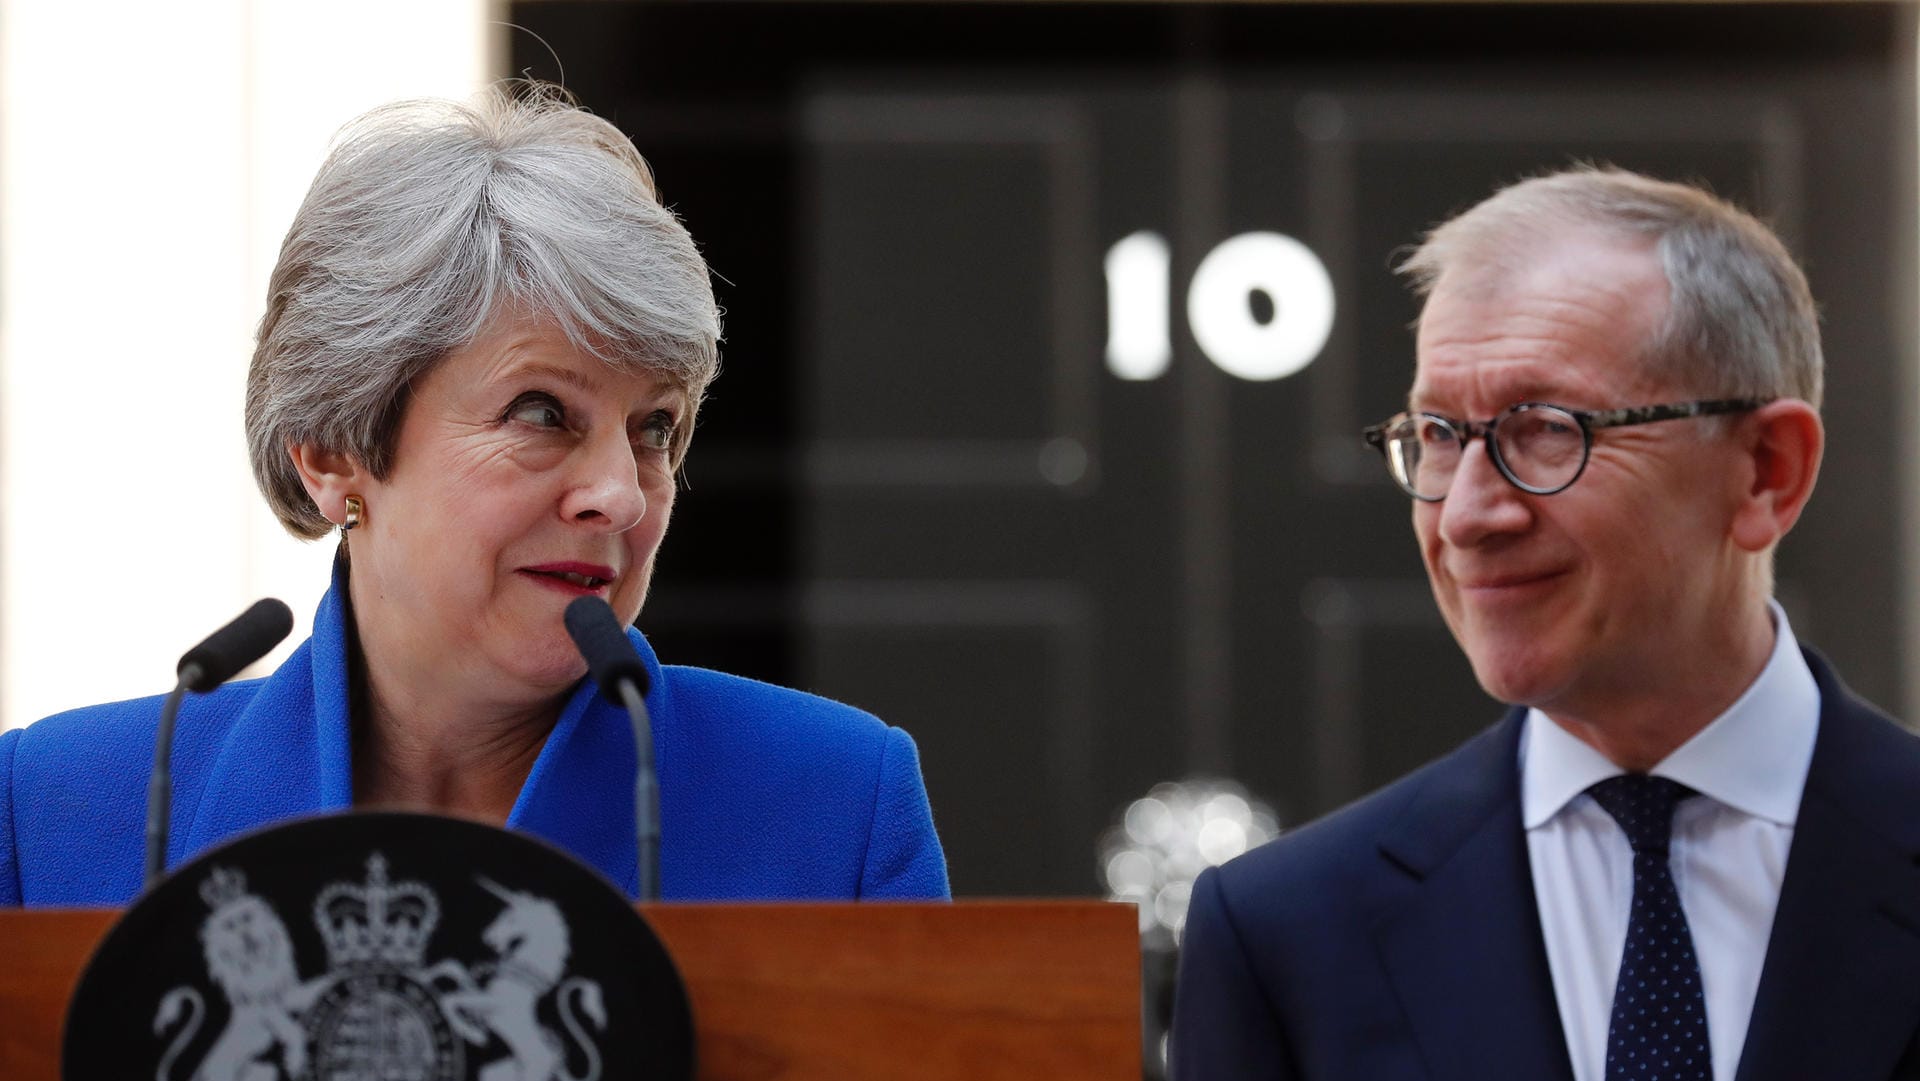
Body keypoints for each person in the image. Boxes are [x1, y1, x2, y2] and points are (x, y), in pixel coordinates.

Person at [0, 85, 948, 906]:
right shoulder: (53, 812)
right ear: (334, 452)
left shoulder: (836, 805)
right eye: (542, 412)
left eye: (654, 427)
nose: (619, 494)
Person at [1172, 166, 1920, 1081]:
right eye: (1440, 435)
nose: (1467, 518)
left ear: (1767, 469)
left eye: (1547, 429)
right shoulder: (1285, 934)